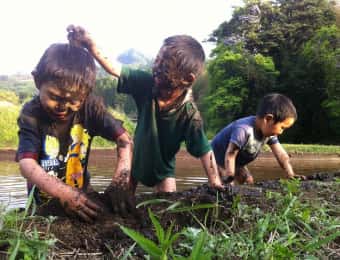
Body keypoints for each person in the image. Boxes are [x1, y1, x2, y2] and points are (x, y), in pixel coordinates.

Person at [66, 25, 224, 192]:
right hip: (134, 163)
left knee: (167, 206)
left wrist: (215, 183)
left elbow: (205, 151)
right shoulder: (146, 84)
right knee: (122, 202)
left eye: (165, 66)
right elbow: (113, 68)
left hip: (164, 172)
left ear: (187, 79)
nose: (156, 68)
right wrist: (90, 44)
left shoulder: (189, 115)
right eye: (157, 60)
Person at [16, 43, 134, 222]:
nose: (63, 107)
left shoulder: (91, 108)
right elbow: (27, 164)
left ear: (86, 94)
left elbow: (125, 141)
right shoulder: (32, 114)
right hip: (44, 206)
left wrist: (120, 182)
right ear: (37, 81)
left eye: (74, 101)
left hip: (83, 195)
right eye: (55, 97)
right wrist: (63, 192)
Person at [211, 93, 306, 185]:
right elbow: (231, 153)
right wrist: (230, 174)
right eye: (282, 128)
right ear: (268, 119)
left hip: (237, 160)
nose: (282, 132)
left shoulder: (269, 133)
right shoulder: (243, 130)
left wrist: (291, 174)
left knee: (248, 181)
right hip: (218, 157)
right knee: (226, 185)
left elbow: (281, 154)